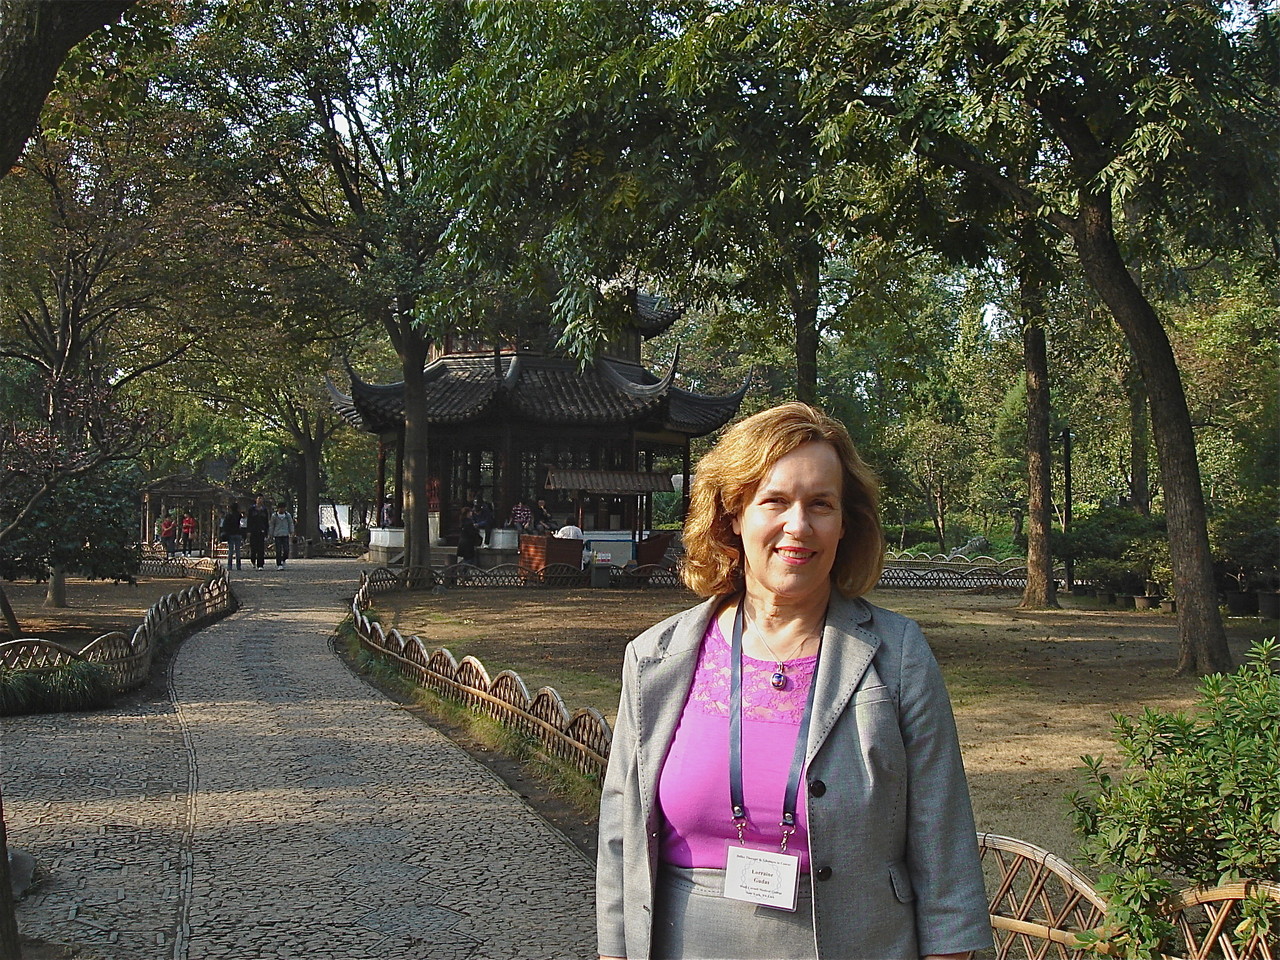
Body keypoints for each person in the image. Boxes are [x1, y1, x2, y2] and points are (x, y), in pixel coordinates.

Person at [596, 403, 991, 960]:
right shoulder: (656, 659)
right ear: (733, 514)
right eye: (774, 501)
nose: (798, 526)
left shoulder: (898, 656)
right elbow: (621, 840)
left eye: (821, 505)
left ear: (845, 522)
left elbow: (943, 839)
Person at [246, 495, 271, 570]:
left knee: (261, 548)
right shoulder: (251, 509)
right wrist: (248, 531)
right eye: (259, 498)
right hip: (253, 531)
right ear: (256, 500)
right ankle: (253, 560)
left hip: (261, 530)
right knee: (253, 547)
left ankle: (260, 564)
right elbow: (249, 520)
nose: (260, 500)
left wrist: (266, 531)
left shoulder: (264, 510)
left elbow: (266, 521)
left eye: (261, 499)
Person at [268, 503, 295, 567]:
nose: (282, 509)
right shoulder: (274, 516)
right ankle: (279, 564)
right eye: (281, 508)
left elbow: (290, 524)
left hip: (285, 534)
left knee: (286, 549)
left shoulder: (287, 515)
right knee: (278, 550)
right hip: (277, 534)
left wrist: (292, 532)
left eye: (283, 508)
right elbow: (272, 525)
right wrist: (270, 534)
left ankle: (284, 559)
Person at [220, 503, 244, 570]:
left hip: (230, 534)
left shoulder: (228, 515)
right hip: (238, 534)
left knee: (230, 551)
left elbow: (225, 525)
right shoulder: (239, 515)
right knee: (238, 551)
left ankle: (229, 565)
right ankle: (238, 566)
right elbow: (241, 524)